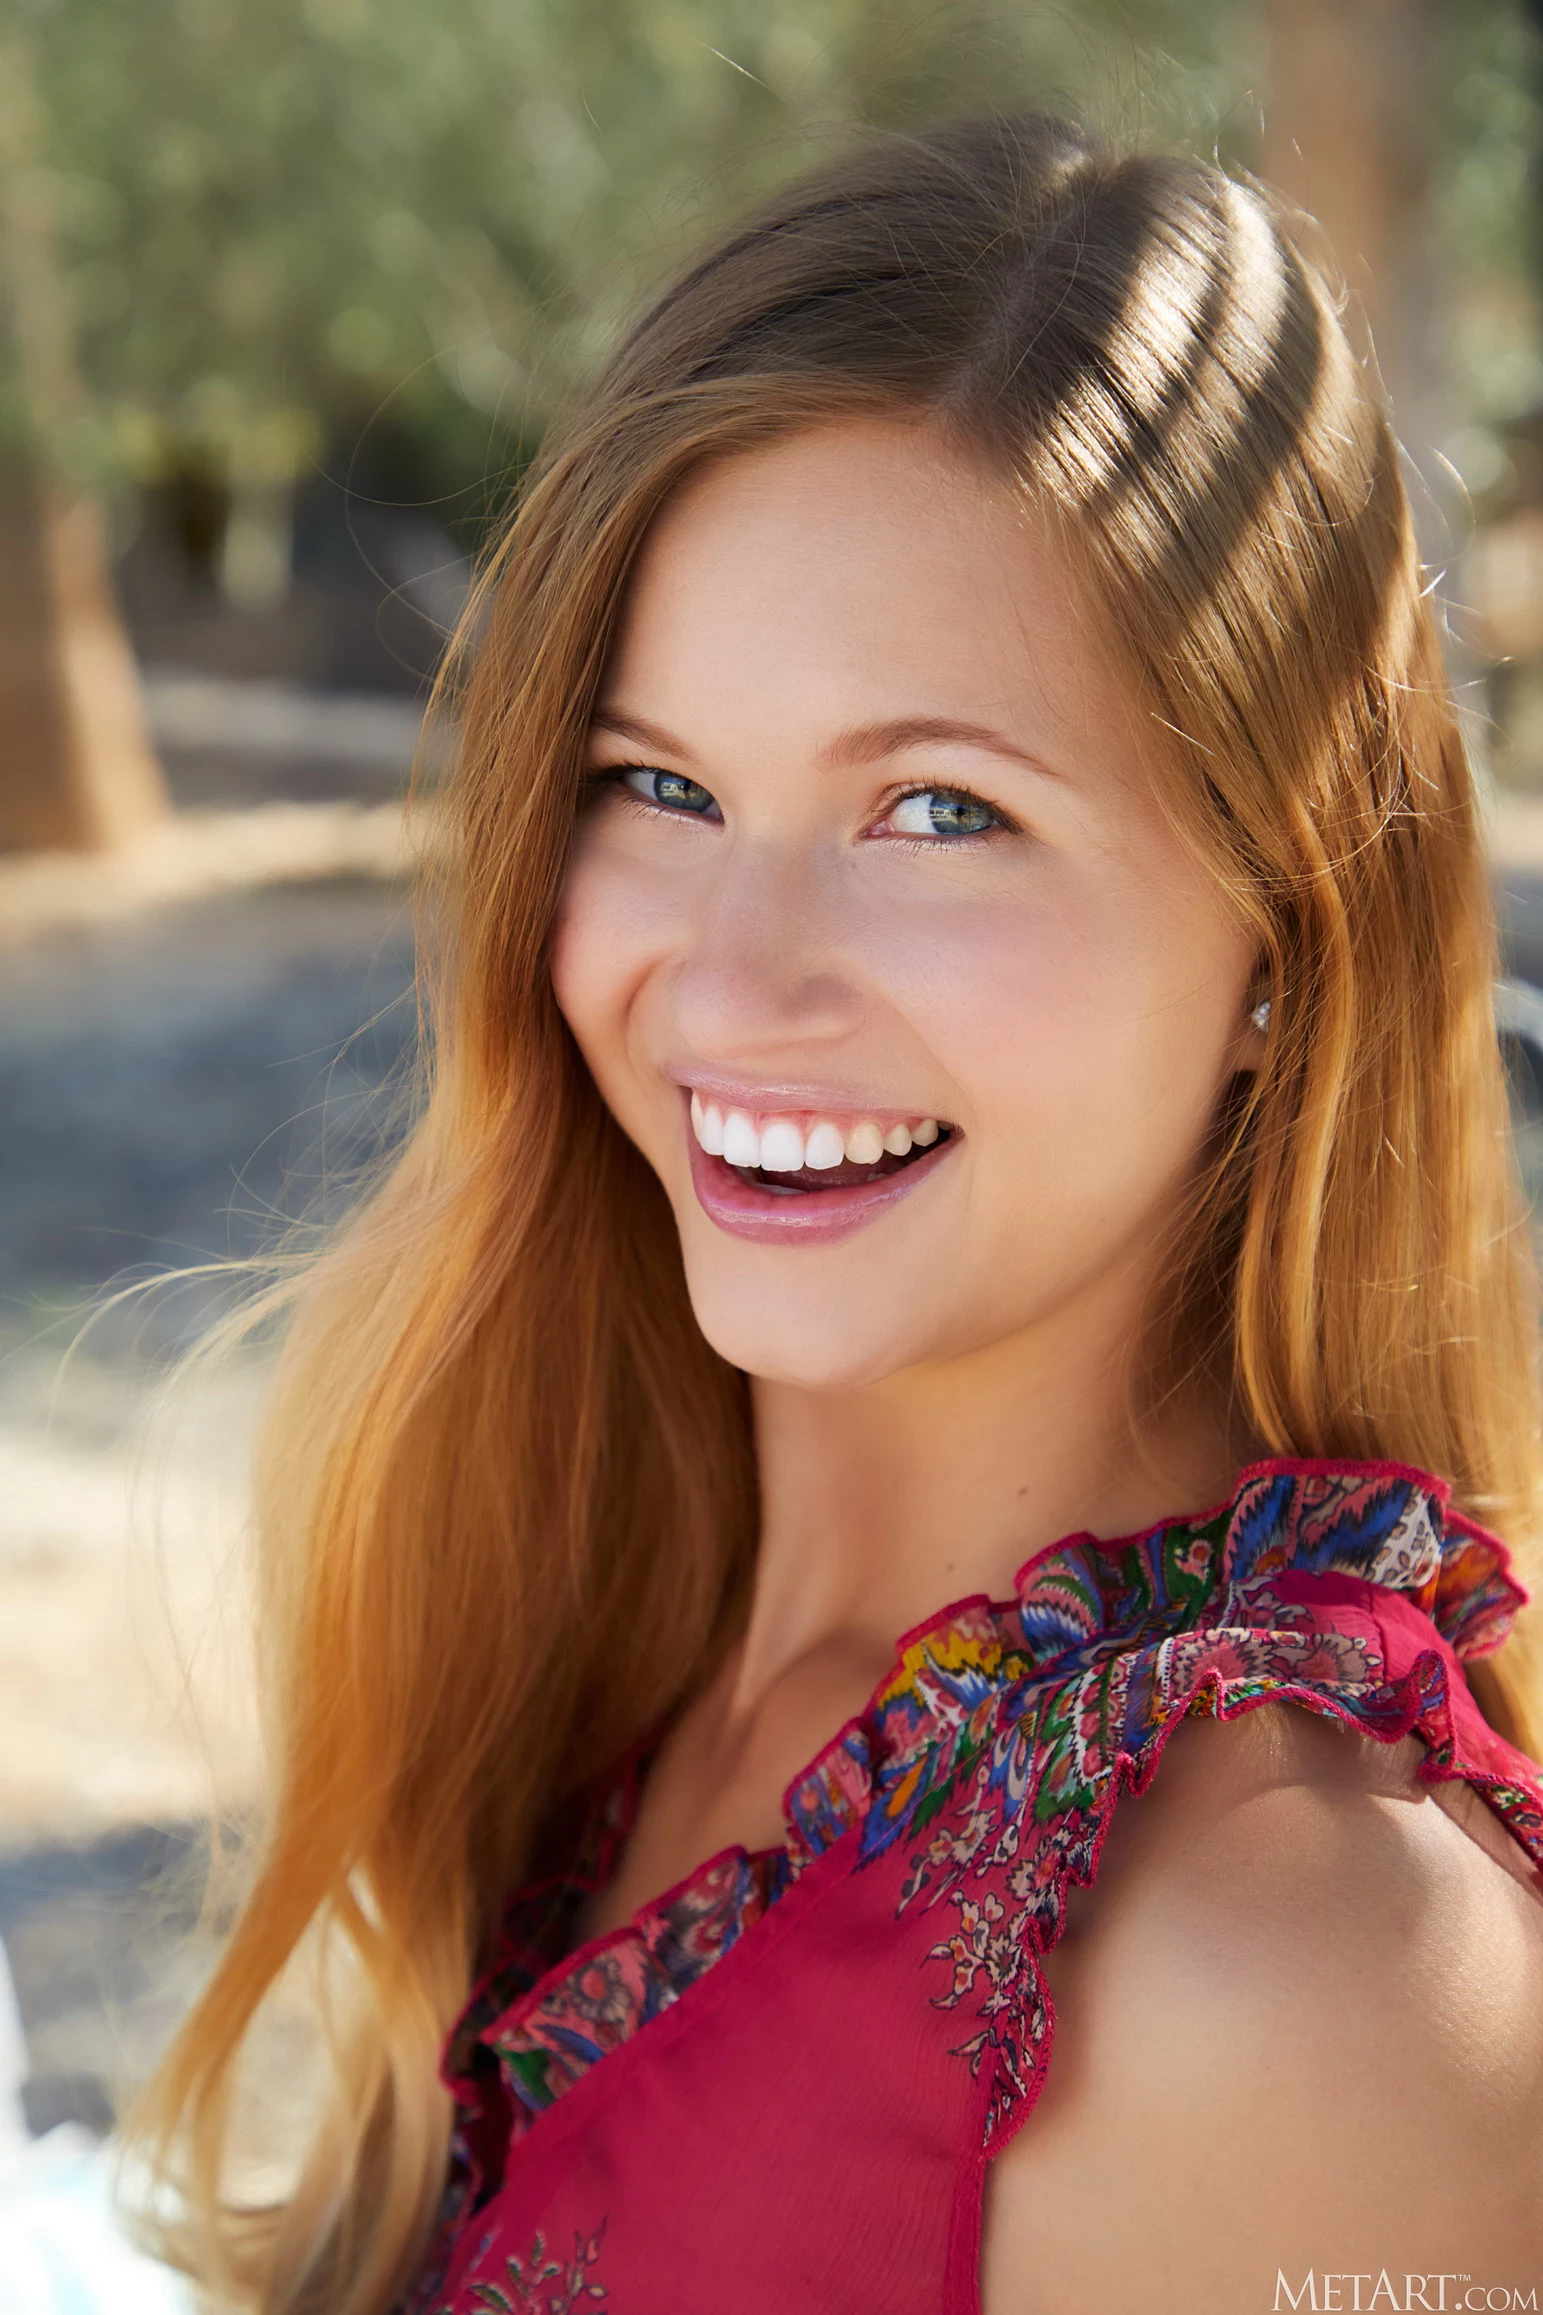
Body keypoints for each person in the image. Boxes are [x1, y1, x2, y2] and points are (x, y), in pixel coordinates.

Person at [126, 113, 1543, 2315]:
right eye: (657, 783)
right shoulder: (586, 1618)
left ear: (1286, 926)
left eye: (939, 808)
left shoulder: (1309, 1969)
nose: (731, 974)